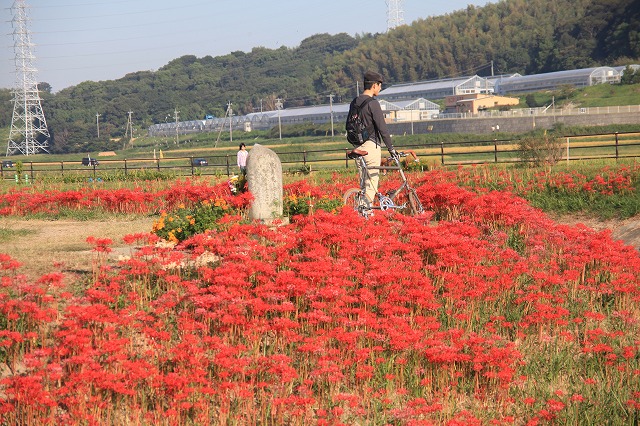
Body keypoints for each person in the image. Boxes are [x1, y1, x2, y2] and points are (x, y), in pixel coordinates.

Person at [348, 71, 398, 203]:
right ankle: (367, 214)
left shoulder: (354, 102)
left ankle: (360, 212)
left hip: (357, 147)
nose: (380, 88)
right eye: (380, 85)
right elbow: (382, 128)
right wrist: (391, 149)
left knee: (363, 184)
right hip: (371, 146)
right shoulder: (373, 103)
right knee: (371, 184)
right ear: (374, 85)